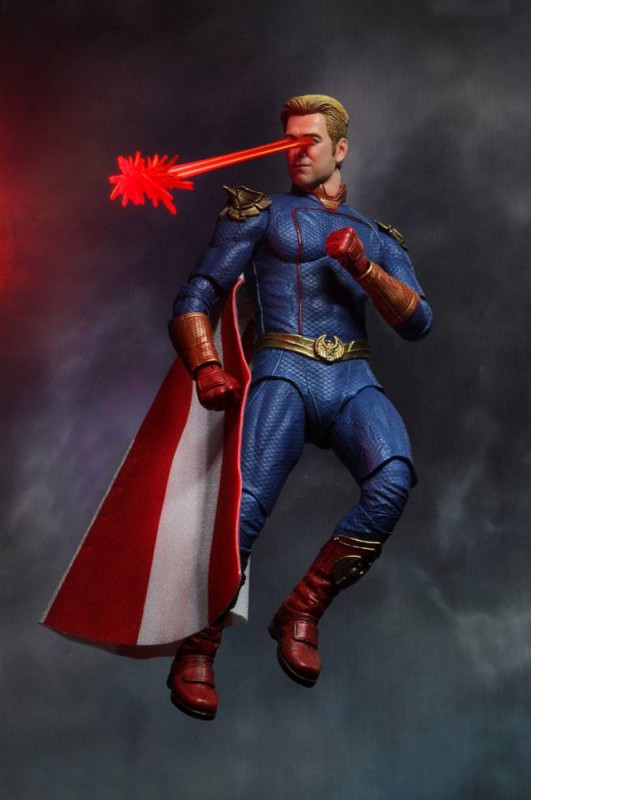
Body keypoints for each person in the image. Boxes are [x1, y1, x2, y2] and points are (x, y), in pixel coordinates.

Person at [165, 94, 434, 720]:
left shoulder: (375, 234)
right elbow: (197, 294)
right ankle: (197, 645)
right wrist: (206, 364)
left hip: (352, 377)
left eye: (310, 140)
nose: (297, 150)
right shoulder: (259, 214)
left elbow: (419, 321)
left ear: (340, 148)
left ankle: (304, 608)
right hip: (283, 368)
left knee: (394, 477)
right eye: (289, 140)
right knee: (246, 503)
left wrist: (366, 268)